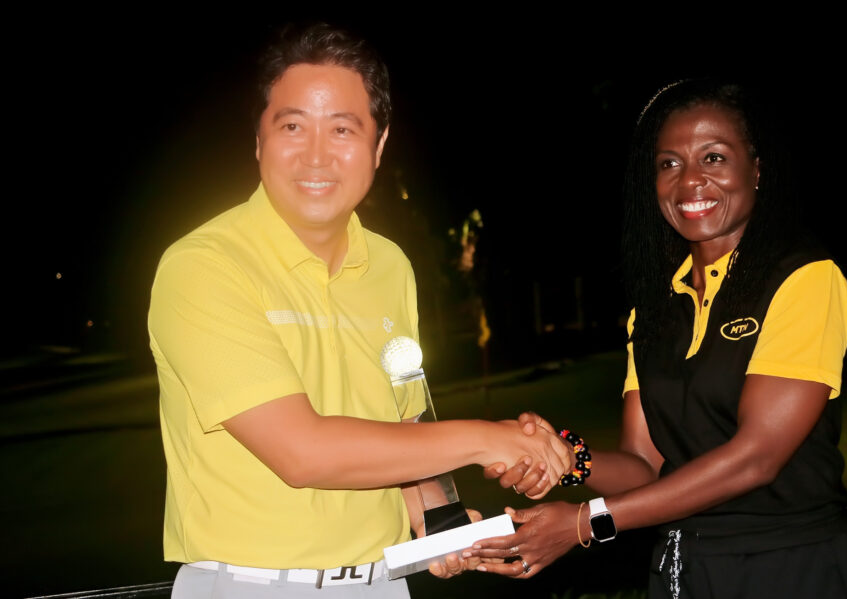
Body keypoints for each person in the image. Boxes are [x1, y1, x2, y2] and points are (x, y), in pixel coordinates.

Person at [148, 23, 570, 598]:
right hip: (251, 585)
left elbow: (405, 422)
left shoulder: (390, 266)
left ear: (379, 144)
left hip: (382, 583)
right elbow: (301, 452)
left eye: (342, 129)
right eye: (292, 126)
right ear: (258, 139)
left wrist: (438, 516)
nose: (316, 155)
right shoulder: (203, 266)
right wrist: (486, 439)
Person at [467, 78, 847, 598]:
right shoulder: (654, 309)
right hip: (685, 568)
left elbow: (757, 457)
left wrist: (584, 523)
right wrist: (566, 457)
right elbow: (646, 466)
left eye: (714, 158)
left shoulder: (804, 279)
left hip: (792, 566)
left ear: (757, 169)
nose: (690, 181)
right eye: (669, 163)